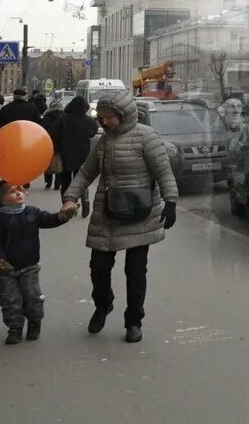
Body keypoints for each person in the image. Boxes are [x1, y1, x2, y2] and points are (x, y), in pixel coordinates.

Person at [61, 90, 178, 344]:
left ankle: (134, 321)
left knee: (135, 272)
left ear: (123, 115)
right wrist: (70, 198)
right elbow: (84, 173)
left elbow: (164, 171)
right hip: (107, 213)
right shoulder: (103, 143)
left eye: (108, 118)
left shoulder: (146, 137)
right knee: (99, 268)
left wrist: (171, 201)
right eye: (100, 117)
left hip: (140, 214)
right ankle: (103, 305)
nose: (103, 122)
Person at [0, 180, 73, 344]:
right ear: (0, 200)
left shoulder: (32, 212)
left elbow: (49, 220)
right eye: (12, 192)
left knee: (33, 297)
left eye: (21, 190)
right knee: (10, 300)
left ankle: (34, 321)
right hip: (5, 271)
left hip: (29, 267)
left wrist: (63, 216)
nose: (18, 193)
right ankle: (15, 328)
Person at [51, 95, 97, 214]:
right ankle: (85, 198)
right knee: (81, 180)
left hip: (65, 155)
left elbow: (53, 134)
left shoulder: (62, 119)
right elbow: (93, 133)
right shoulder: (88, 120)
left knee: (66, 182)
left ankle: (67, 206)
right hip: (82, 155)